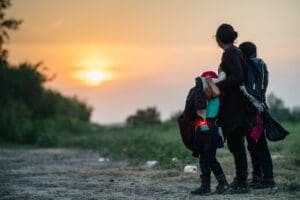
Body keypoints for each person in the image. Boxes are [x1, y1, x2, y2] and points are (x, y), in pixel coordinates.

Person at [206, 24, 257, 194]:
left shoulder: (230, 53)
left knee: (236, 145)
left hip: (236, 108)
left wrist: (217, 85)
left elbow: (237, 76)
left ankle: (242, 183)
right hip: (238, 107)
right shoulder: (235, 52)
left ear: (219, 39)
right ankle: (240, 179)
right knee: (236, 145)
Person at [239, 41, 276, 189]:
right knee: (255, 146)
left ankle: (267, 180)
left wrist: (240, 87)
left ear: (243, 55)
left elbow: (248, 90)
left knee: (258, 146)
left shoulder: (250, 66)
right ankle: (259, 177)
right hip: (260, 107)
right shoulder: (261, 65)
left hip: (254, 111)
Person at [190, 71, 229, 195]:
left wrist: (208, 80)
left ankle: (221, 183)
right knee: (204, 159)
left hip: (210, 128)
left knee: (209, 158)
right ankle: (207, 186)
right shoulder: (207, 95)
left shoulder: (214, 93)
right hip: (206, 127)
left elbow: (215, 92)